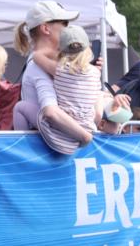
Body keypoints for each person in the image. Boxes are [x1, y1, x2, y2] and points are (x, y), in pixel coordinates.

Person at [12, 0, 97, 149]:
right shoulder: (38, 66)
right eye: (64, 23)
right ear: (45, 28)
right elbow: (51, 112)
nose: (68, 27)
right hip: (51, 149)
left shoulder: (51, 63)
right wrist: (85, 136)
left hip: (58, 148)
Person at [36, 25, 131, 153]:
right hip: (86, 133)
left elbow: (37, 56)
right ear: (88, 49)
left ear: (61, 50)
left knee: (21, 107)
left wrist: (56, 52)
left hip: (58, 136)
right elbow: (98, 113)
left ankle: (26, 145)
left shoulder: (58, 70)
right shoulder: (95, 73)